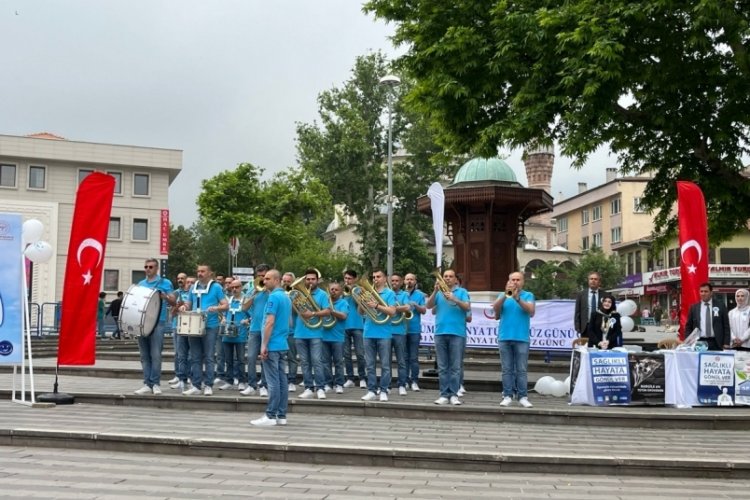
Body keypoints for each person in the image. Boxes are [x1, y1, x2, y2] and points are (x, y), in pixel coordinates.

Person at [251, 269, 293, 426]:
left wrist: (264, 345)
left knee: (273, 382)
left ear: (277, 280)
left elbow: (269, 322)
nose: (264, 281)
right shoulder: (286, 297)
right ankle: (281, 415)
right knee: (282, 381)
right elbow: (289, 322)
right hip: (282, 344)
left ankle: (270, 415)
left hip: (273, 344)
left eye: (268, 278)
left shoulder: (273, 297)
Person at [179, 264, 229, 395]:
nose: (200, 273)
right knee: (195, 356)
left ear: (209, 273)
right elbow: (189, 303)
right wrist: (185, 307)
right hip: (195, 325)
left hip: (211, 325)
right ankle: (196, 385)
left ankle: (208, 385)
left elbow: (225, 305)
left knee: (209, 356)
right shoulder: (192, 287)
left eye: (203, 271)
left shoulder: (216, 287)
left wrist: (216, 308)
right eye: (198, 271)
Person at [426, 269, 471, 406]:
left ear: (455, 280)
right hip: (440, 333)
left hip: (457, 333)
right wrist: (435, 291)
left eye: (450, 276)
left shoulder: (462, 292)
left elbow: (467, 307)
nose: (447, 279)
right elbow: (428, 306)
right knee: (443, 366)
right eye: (445, 276)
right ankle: (444, 394)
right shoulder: (439, 292)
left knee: (455, 367)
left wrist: (454, 298)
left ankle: (454, 394)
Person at [493, 271, 535, 408]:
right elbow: (495, 311)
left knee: (521, 369)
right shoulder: (503, 295)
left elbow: (531, 311)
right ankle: (507, 395)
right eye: (512, 279)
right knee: (507, 369)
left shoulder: (528, 295)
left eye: (518, 279)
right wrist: (506, 295)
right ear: (508, 281)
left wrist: (517, 298)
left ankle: (522, 396)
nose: (515, 282)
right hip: (505, 337)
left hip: (521, 337)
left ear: (523, 281)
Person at [133, 259, 175, 396]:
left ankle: (155, 383)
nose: (147, 269)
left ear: (156, 268)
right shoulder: (141, 284)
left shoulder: (165, 283)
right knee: (144, 355)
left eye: (150, 267)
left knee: (155, 354)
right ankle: (147, 383)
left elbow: (174, 301)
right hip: (142, 322)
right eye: (145, 267)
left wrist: (165, 297)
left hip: (158, 322)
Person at [293, 268, 331, 400]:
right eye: (308, 279)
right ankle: (309, 388)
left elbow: (327, 311)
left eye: (312, 279)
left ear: (317, 280)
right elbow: (293, 311)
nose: (310, 281)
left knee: (317, 361)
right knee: (304, 362)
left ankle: (320, 388)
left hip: (316, 332)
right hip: (300, 332)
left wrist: (313, 313)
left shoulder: (322, 294)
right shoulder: (298, 294)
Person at [360, 269, 397, 401]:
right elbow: (360, 311)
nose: (375, 279)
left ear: (385, 278)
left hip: (384, 333)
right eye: (374, 277)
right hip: (368, 332)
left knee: (385, 364)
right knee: (369, 364)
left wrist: (376, 305)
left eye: (378, 276)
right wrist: (362, 301)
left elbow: (392, 311)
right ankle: (371, 390)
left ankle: (384, 390)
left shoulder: (389, 293)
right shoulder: (368, 292)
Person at [241, 264, 271, 397]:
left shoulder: (273, 291)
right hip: (254, 328)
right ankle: (252, 385)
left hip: (268, 329)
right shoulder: (253, 289)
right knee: (252, 358)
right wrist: (254, 293)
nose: (261, 279)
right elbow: (244, 308)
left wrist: (268, 290)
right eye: (259, 276)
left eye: (264, 276)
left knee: (265, 358)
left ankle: (264, 385)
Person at [218, 279, 249, 391]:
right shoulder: (228, 300)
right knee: (228, 359)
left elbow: (252, 315)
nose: (235, 289)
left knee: (240, 359)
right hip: (227, 333)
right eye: (233, 287)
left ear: (241, 287)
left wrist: (247, 320)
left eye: (237, 287)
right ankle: (229, 380)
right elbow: (224, 313)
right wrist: (224, 319)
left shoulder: (246, 300)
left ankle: (241, 380)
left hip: (240, 334)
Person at [685, 282, 730, 351]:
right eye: (701, 291)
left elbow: (726, 326)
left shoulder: (720, 306)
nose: (703, 293)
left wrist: (726, 342)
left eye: (706, 291)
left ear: (711, 293)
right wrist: (689, 341)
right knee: (700, 361)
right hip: (699, 343)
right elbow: (688, 326)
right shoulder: (694, 308)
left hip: (716, 342)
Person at [321, 281, 348, 393]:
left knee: (338, 362)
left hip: (338, 337)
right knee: (325, 362)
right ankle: (328, 383)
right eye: (332, 289)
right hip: (323, 335)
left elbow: (343, 316)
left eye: (336, 290)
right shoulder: (324, 301)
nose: (333, 291)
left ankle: (339, 384)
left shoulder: (343, 302)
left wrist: (331, 311)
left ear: (341, 291)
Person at [342, 269, 367, 388]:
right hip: (344, 326)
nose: (347, 281)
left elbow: (363, 305)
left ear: (355, 279)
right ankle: (350, 378)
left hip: (357, 325)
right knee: (346, 354)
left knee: (360, 354)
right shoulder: (341, 291)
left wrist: (354, 292)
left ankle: (362, 377)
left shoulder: (360, 290)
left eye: (350, 279)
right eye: (346, 278)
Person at [169, 273, 193, 391]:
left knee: (190, 355)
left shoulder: (193, 294)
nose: (180, 280)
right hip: (177, 326)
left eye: (183, 279)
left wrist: (186, 305)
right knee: (178, 353)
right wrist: (176, 307)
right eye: (178, 278)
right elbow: (171, 314)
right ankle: (179, 376)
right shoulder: (176, 293)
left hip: (191, 326)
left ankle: (189, 376)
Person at [390, 273, 412, 396]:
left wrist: (393, 308)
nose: (394, 283)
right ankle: (386, 386)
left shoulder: (404, 294)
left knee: (401, 360)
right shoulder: (387, 293)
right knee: (386, 361)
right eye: (392, 281)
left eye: (397, 281)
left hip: (399, 331)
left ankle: (402, 384)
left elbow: (407, 307)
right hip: (387, 331)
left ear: (401, 282)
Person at [404, 273, 427, 391]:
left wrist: (415, 305)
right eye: (407, 279)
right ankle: (405, 381)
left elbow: (424, 310)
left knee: (413, 357)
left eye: (411, 279)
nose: (409, 281)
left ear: (415, 281)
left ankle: (414, 381)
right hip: (402, 329)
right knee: (404, 357)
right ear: (404, 281)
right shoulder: (400, 294)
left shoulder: (419, 295)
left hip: (414, 330)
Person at [574, 272, 604, 338]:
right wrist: (577, 327)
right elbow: (577, 312)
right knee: (585, 347)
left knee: (599, 347)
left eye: (595, 279)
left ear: (599, 282)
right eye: (591, 279)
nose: (593, 281)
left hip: (600, 327)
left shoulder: (605, 295)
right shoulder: (581, 294)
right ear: (588, 281)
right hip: (585, 327)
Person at [282, 271, 299, 391]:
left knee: (292, 358)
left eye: (288, 281)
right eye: (284, 281)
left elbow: (297, 311)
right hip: (280, 331)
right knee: (279, 358)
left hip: (292, 331)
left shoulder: (296, 294)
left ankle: (292, 380)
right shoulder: (279, 293)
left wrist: (289, 299)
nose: (286, 283)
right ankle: (281, 380)